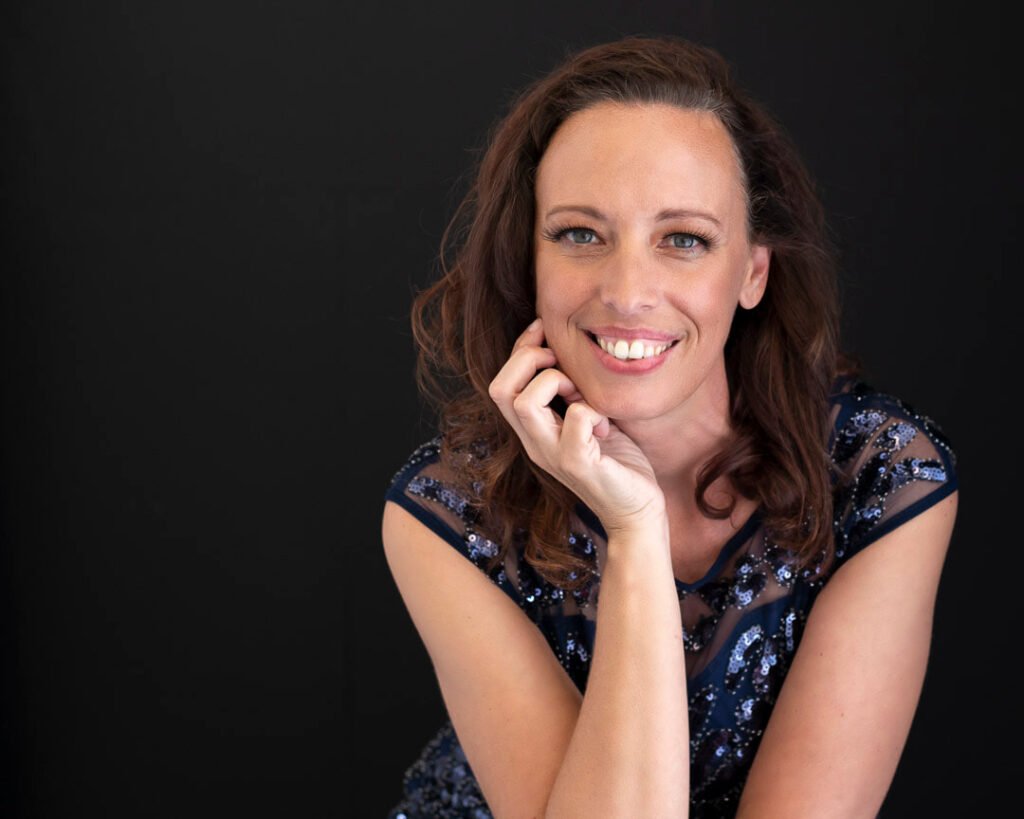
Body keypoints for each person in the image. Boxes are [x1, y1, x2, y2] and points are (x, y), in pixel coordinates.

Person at [381, 35, 958, 819]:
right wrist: (637, 528)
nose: (627, 291)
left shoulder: (877, 478)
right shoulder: (448, 512)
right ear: (529, 261)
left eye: (683, 239)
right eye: (580, 233)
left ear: (753, 272)